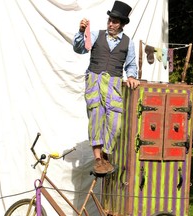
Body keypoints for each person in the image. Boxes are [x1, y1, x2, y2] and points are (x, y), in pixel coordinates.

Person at [73, 1, 140, 174]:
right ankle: (97, 160)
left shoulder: (128, 43)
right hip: (94, 81)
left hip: (114, 84)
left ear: (122, 24)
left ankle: (105, 154)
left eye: (115, 21)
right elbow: (80, 49)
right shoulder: (96, 35)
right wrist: (81, 32)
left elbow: (131, 64)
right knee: (96, 118)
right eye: (110, 20)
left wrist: (132, 76)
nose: (111, 24)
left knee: (115, 124)